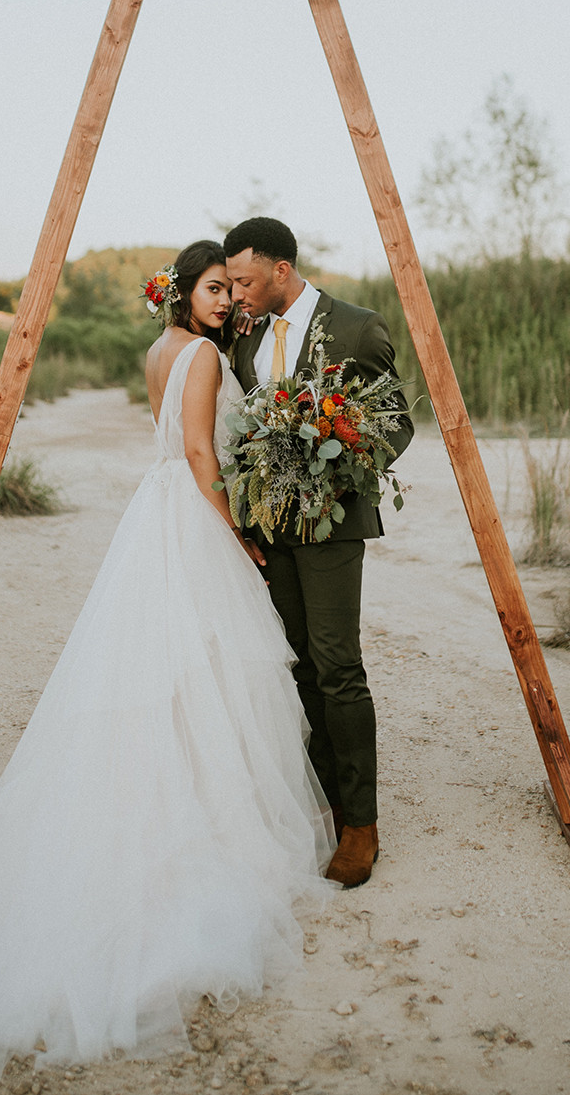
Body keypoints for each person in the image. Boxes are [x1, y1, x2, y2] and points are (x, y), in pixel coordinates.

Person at [0, 240, 334, 1080]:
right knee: (206, 661)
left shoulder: (158, 348)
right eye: (212, 287)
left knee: (163, 662)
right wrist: (240, 535)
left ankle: (168, 786)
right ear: (183, 291)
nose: (223, 300)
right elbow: (200, 453)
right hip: (190, 511)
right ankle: (205, 813)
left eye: (227, 290)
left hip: (153, 509)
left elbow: (170, 441)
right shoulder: (206, 356)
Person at [223, 218, 414, 890]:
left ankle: (361, 825)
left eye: (245, 280)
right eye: (230, 283)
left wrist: (334, 466)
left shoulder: (357, 327)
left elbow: (396, 421)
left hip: (332, 523)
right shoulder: (247, 336)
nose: (237, 293)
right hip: (273, 526)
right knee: (299, 664)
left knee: (338, 667)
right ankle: (327, 799)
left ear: (280, 269)